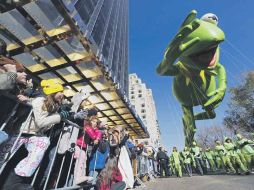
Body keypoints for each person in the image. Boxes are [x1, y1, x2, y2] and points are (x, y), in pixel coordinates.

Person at [3, 79, 70, 190]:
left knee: (43, 142)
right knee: (5, 158)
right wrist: (59, 117)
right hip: (21, 132)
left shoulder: (52, 105)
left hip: (32, 135)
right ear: (53, 91)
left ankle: (14, 183)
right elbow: (41, 122)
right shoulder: (40, 100)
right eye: (60, 91)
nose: (62, 95)